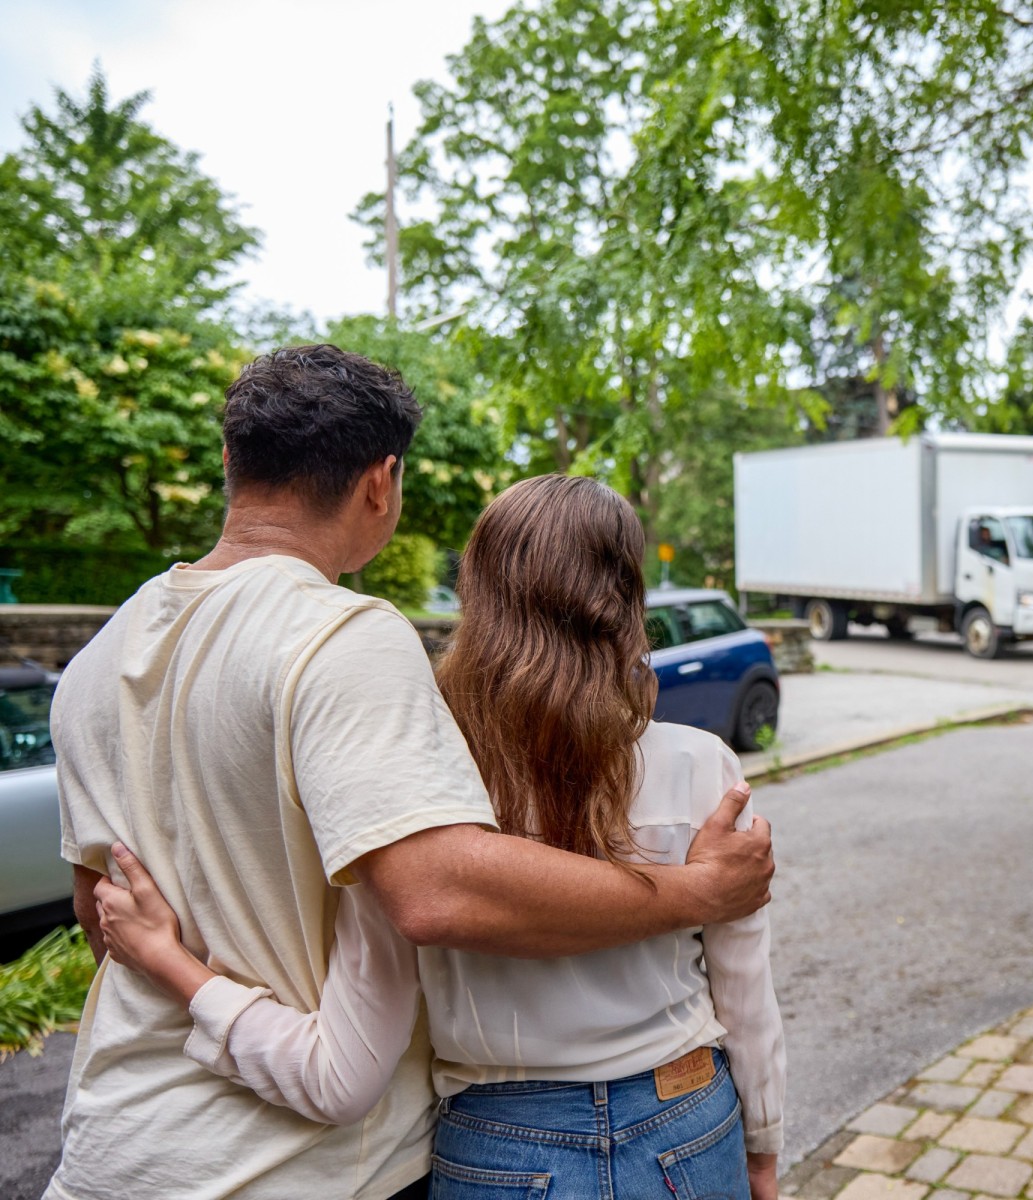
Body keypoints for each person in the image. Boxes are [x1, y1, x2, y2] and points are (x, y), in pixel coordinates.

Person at [48, 347, 774, 1200]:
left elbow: (101, 918)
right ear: (381, 482)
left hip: (112, 1146)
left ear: (229, 460)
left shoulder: (94, 666)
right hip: (289, 1166)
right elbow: (432, 893)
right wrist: (697, 893)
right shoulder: (339, 634)